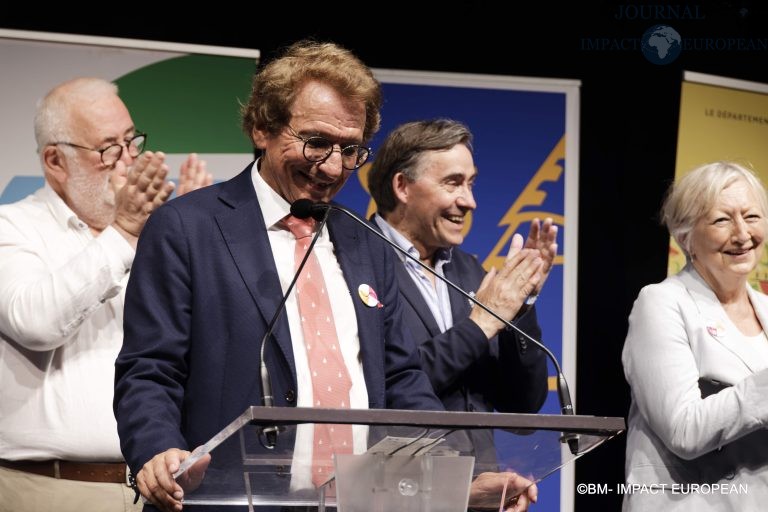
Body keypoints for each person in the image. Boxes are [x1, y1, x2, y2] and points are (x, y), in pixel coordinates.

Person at [0, 77, 213, 512]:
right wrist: (126, 231)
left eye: (131, 142)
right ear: (55, 161)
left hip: (159, 489)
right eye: (108, 149)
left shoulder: (152, 232)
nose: (127, 161)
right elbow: (35, 322)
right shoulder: (13, 226)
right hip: (49, 489)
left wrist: (189, 241)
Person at [367, 119, 554, 461]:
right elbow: (384, 387)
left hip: (479, 487)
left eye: (470, 184)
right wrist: (480, 325)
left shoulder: (469, 271)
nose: (469, 202)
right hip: (396, 484)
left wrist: (522, 304)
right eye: (453, 183)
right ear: (402, 186)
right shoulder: (356, 263)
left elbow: (522, 405)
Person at [622, 161, 768, 511]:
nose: (742, 233)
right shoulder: (661, 303)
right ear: (685, 236)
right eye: (722, 219)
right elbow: (684, 429)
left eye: (751, 216)